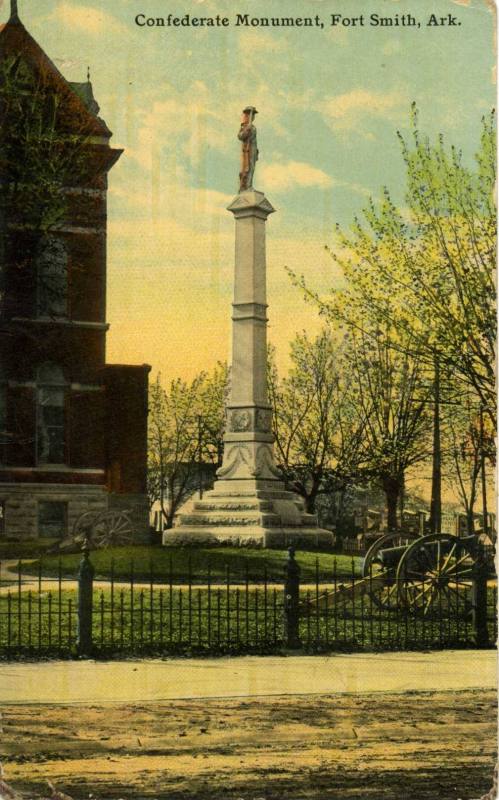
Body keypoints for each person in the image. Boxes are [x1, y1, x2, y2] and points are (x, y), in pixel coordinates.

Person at [238, 106, 258, 191]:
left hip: (253, 149)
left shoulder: (253, 127)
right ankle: (246, 186)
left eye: (253, 115)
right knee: (247, 168)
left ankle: (250, 184)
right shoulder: (244, 126)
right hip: (247, 150)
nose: (252, 117)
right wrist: (247, 130)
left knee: (252, 167)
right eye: (251, 115)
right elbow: (240, 136)